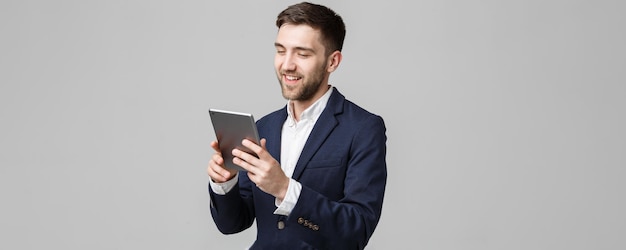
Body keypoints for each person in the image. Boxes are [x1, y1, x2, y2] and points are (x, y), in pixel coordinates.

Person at [207, 2, 387, 249]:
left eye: (302, 54)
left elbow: (356, 230)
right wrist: (225, 183)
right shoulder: (264, 127)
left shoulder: (364, 128)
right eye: (281, 51)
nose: (287, 65)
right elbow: (232, 224)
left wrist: (285, 188)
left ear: (332, 62)